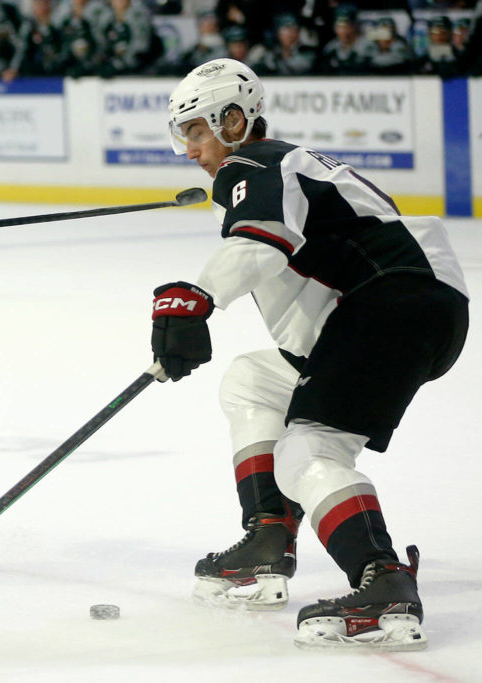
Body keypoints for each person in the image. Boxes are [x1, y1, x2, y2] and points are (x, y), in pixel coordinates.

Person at [158, 58, 468, 649]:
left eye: (197, 131)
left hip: (393, 301)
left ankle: (381, 579)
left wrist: (194, 299)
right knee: (253, 381)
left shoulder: (255, 160)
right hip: (401, 305)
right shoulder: (286, 164)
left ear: (232, 119)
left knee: (307, 447)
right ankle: (269, 536)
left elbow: (264, 241)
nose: (191, 149)